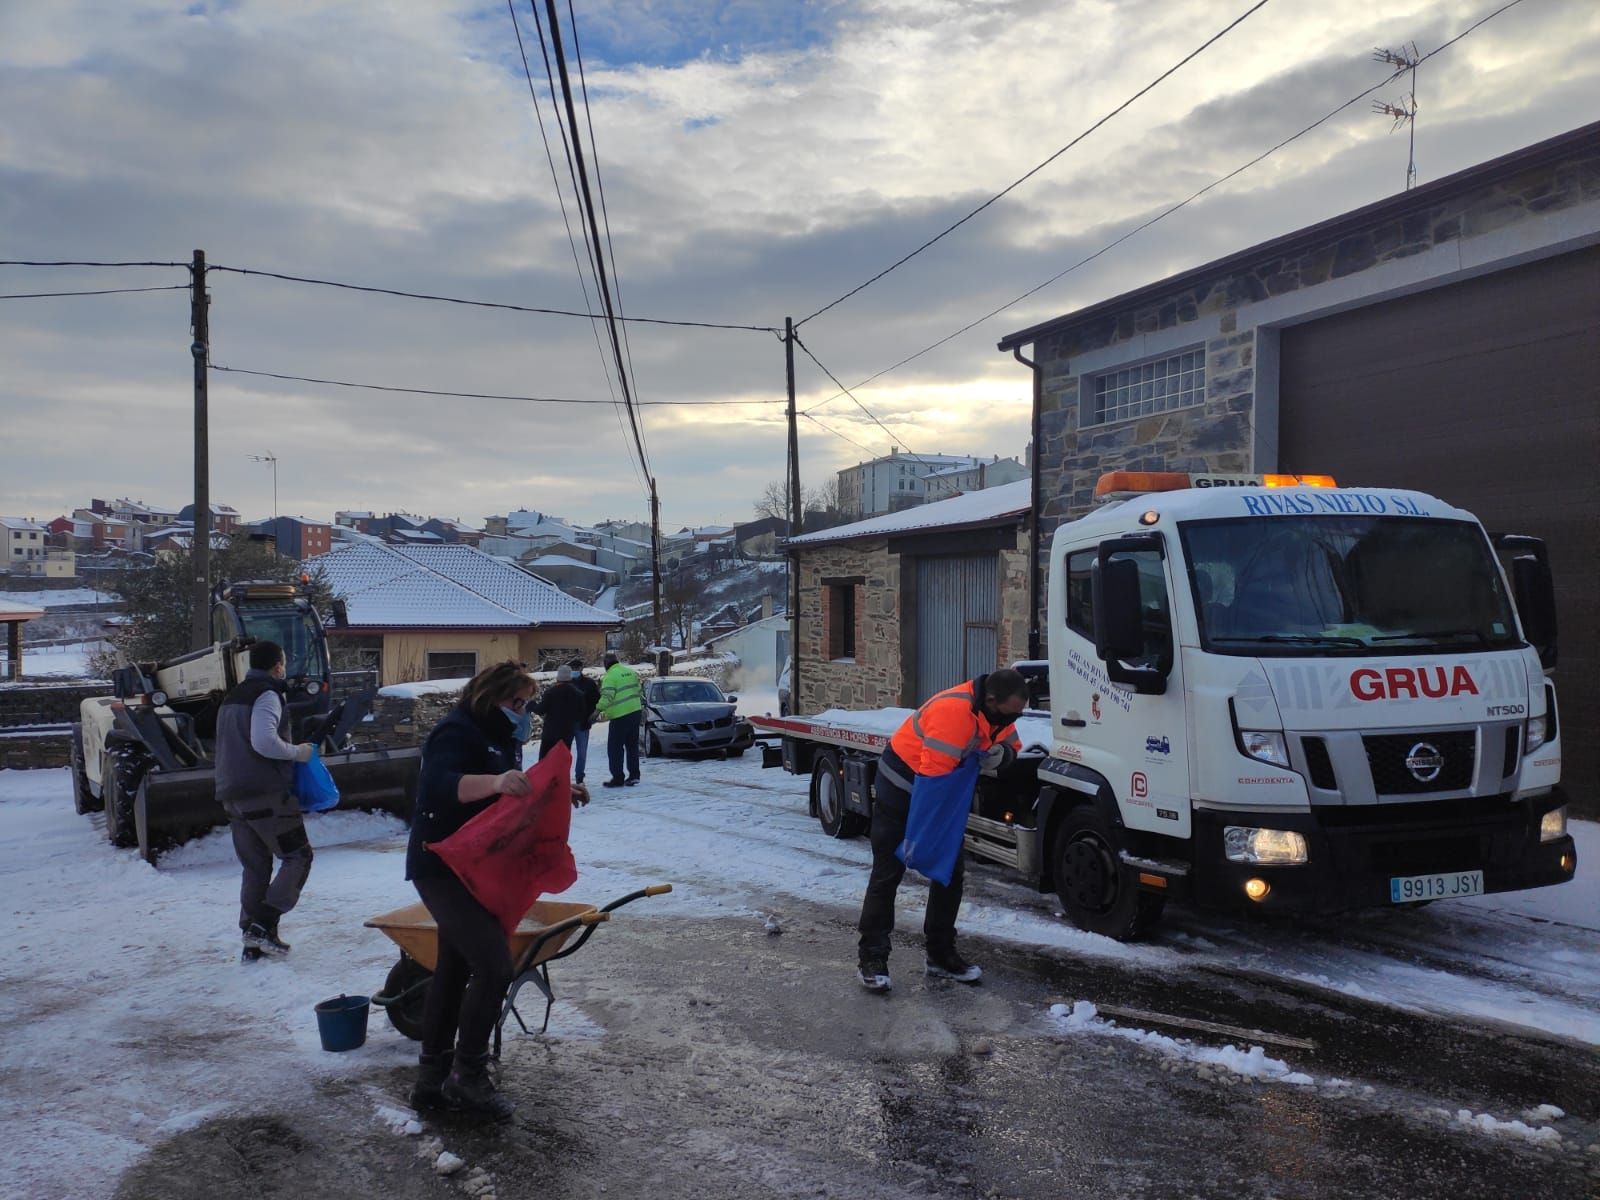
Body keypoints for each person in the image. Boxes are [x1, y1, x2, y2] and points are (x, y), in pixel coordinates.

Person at [406, 661, 537, 1120]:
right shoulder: (455, 732)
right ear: (491, 695)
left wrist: (555, 790)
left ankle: (432, 1077)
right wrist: (497, 782)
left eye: (526, 704)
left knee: (454, 967)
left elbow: (511, 796)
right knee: (494, 964)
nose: (522, 712)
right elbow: (438, 786)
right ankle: (468, 1075)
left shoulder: (501, 738)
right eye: (516, 702)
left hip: (476, 868)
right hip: (440, 866)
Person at [856, 669, 1027, 992]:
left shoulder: (997, 712)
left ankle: (940, 955)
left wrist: (1002, 756)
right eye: (1008, 715)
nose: (1009, 722)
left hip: (941, 789)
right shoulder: (953, 713)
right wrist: (923, 842)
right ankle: (872, 957)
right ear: (991, 701)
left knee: (948, 871)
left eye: (1015, 716)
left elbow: (1012, 744)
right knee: (888, 871)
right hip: (904, 785)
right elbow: (934, 782)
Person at [213, 640, 318, 963]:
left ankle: (253, 940)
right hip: (265, 794)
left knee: (255, 867)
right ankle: (263, 925)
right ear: (277, 665)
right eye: (283, 663)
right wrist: (297, 752)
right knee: (298, 857)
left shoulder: (232, 696)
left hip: (232, 794)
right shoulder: (267, 695)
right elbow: (263, 741)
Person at [596, 651, 643, 788]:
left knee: (615, 748)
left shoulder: (609, 677)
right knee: (632, 746)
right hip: (635, 712)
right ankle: (634, 775)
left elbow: (607, 698)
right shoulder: (630, 672)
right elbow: (639, 691)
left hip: (620, 716)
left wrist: (597, 710)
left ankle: (618, 778)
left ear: (606, 664)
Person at [534, 664, 588, 767]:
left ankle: (545, 782)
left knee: (545, 763)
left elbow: (541, 710)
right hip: (566, 734)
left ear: (558, 677)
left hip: (550, 733)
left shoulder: (550, 692)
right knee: (562, 763)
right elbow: (581, 715)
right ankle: (561, 781)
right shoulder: (578, 694)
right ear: (570, 678)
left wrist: (532, 705)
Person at [567, 658, 600, 785]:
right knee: (565, 752)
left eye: (577, 668)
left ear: (581, 669)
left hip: (583, 722)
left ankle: (579, 776)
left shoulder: (589, 683)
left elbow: (596, 700)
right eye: (573, 668)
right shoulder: (566, 683)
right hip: (568, 723)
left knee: (582, 752)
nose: (575, 671)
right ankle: (565, 776)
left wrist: (591, 716)